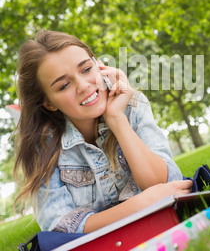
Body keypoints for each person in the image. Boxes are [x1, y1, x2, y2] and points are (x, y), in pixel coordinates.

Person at [13, 30, 192, 234]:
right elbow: (58, 226)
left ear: (101, 67)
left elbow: (168, 184)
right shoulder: (42, 143)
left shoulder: (132, 105)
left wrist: (116, 119)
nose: (83, 86)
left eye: (87, 69)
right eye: (63, 85)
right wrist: (140, 205)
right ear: (49, 103)